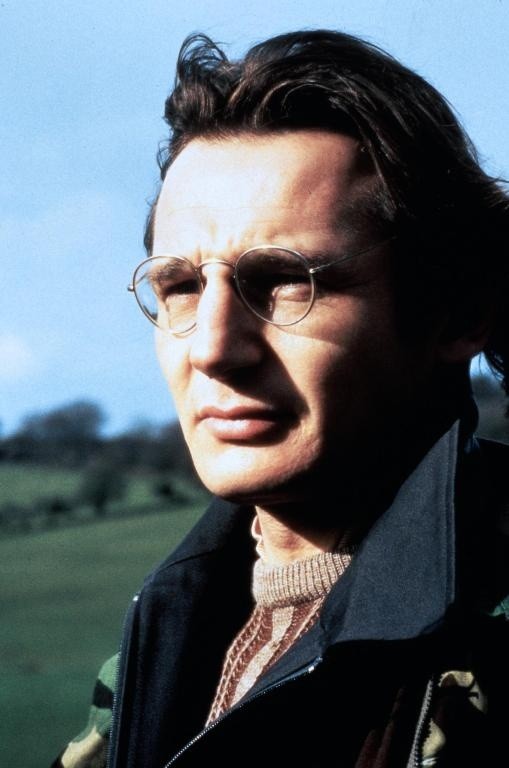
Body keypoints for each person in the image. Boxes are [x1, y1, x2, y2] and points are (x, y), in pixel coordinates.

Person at [53, 29, 509, 768]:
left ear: (457, 314)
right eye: (180, 287)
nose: (212, 348)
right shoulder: (158, 642)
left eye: (286, 281)